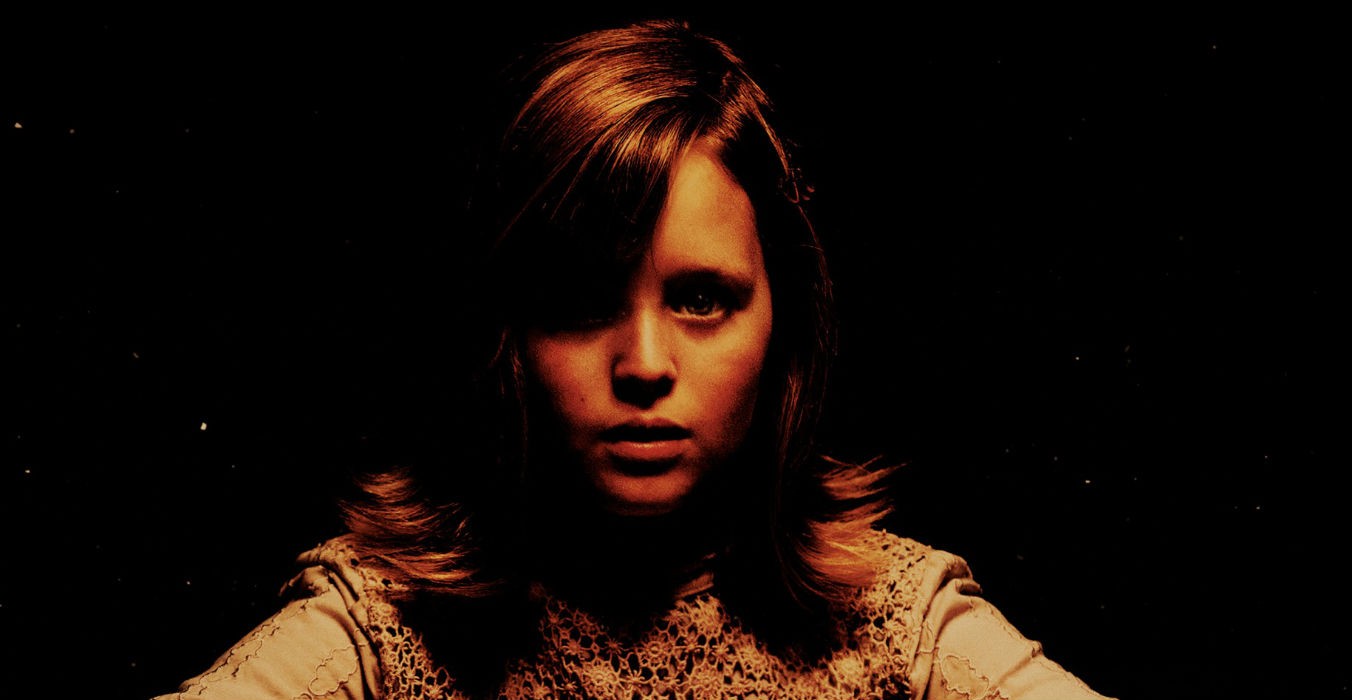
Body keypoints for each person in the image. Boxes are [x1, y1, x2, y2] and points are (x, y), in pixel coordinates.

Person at [153, 19, 1114, 699]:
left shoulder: (900, 627)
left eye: (701, 299)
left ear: (784, 324)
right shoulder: (376, 629)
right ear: (504, 334)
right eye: (582, 301)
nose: (644, 363)